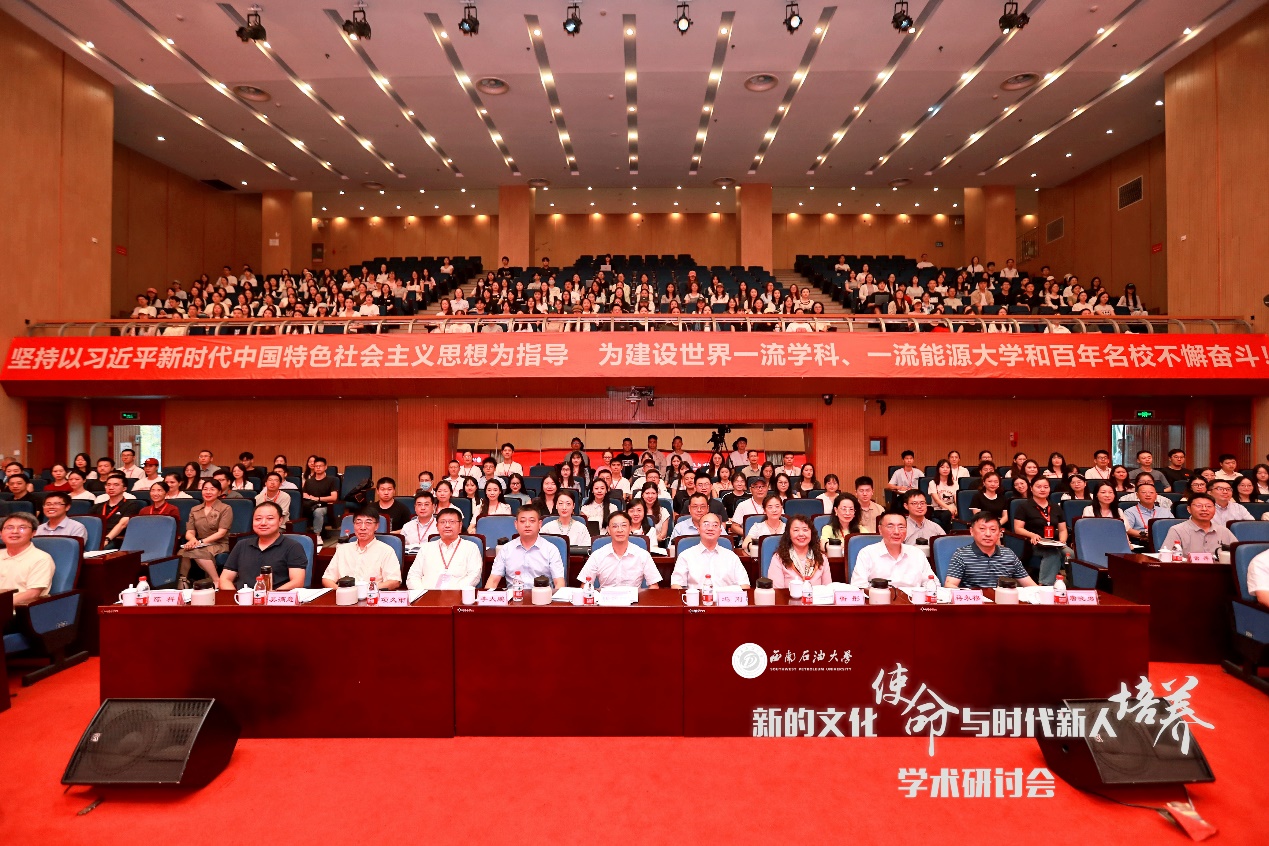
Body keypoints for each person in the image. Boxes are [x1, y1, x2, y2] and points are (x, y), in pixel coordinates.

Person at [219, 502, 308, 591]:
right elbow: (225, 579)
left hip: (276, 597)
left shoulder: (293, 547)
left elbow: (297, 582)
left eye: (270, 518)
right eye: (258, 519)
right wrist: (236, 596)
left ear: (280, 521)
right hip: (243, 597)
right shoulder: (241, 545)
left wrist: (269, 596)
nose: (263, 523)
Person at [946, 512, 1037, 589]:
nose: (988, 534)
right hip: (975, 602)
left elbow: (1030, 586)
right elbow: (950, 585)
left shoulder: (1008, 554)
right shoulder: (961, 554)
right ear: (972, 531)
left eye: (993, 529)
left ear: (1000, 533)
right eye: (982, 529)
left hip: (1004, 600)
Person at [486, 503, 565, 589]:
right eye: (522, 521)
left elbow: (559, 583)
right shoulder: (506, 549)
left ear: (539, 524)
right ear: (516, 524)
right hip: (513, 595)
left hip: (543, 595)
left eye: (532, 521)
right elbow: (493, 581)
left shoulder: (551, 549)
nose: (527, 525)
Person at [577, 511, 661, 589]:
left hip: (634, 599)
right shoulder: (597, 555)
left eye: (624, 525)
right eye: (614, 526)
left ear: (630, 528)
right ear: (609, 530)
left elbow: (654, 585)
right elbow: (585, 584)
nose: (620, 530)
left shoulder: (643, 555)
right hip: (605, 598)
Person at [322, 509, 402, 590]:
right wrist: (341, 590)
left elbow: (394, 581)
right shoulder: (343, 549)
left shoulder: (386, 551)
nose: (363, 527)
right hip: (344, 595)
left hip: (372, 595)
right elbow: (327, 579)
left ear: (376, 526)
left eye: (368, 523)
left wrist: (366, 590)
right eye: (358, 523)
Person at [851, 513, 936, 588]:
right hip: (879, 599)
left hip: (913, 600)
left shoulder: (917, 554)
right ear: (880, 529)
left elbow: (932, 584)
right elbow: (859, 587)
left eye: (901, 527)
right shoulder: (867, 553)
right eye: (890, 526)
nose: (896, 532)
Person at [406, 507, 483, 590]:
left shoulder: (471, 547)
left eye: (452, 522)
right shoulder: (426, 548)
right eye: (442, 522)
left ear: (460, 525)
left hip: (458, 595)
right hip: (426, 595)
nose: (447, 525)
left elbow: (474, 576)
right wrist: (421, 593)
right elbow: (413, 575)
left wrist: (453, 592)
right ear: (437, 526)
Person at [670, 512, 750, 589]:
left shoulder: (731, 557)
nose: (710, 528)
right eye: (706, 524)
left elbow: (745, 585)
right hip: (696, 598)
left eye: (715, 525)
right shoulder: (685, 556)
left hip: (725, 598)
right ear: (698, 529)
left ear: (720, 531)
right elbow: (676, 584)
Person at [1012, 477, 1068, 585]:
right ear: (1031, 488)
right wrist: (1032, 535)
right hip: (1033, 543)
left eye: (1045, 487)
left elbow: (1063, 529)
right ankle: (1044, 585)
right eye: (1039, 487)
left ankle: (1072, 584)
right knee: (1052, 553)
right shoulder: (1023, 506)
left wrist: (1062, 540)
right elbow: (1018, 528)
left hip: (1054, 543)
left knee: (1070, 554)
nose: (1042, 489)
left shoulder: (1056, 507)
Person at [178, 479, 232, 584]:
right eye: (205, 489)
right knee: (182, 552)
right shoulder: (195, 509)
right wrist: (193, 540)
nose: (208, 492)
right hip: (200, 543)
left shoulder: (225, 508)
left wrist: (200, 542)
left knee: (197, 552)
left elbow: (221, 533)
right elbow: (190, 531)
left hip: (219, 543)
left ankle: (216, 580)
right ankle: (183, 581)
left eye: (212, 489)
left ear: (219, 492)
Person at [1, 512, 55, 617]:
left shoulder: (41, 559)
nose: (15, 531)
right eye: (9, 528)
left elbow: (32, 593)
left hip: (18, 613)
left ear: (33, 533)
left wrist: (3, 605)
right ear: (1, 533)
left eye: (22, 528)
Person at [767, 515, 832, 589]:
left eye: (805, 530)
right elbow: (777, 591)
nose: (801, 534)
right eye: (796, 530)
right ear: (789, 534)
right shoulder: (779, 558)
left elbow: (828, 589)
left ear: (811, 533)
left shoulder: (821, 558)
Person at [1161, 493, 1234, 554]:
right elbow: (1166, 557)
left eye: (1209, 506)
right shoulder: (1177, 530)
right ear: (1189, 509)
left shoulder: (1224, 531)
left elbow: (1237, 555)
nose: (1204, 509)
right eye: (1199, 506)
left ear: (1215, 509)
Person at [95, 474, 141, 550]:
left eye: (116, 485)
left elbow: (122, 524)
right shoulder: (98, 506)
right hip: (97, 537)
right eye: (108, 485)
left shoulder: (131, 505)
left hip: (116, 539)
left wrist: (107, 539)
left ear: (124, 488)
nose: (111, 488)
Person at [301, 457, 340, 541]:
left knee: (318, 511)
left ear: (325, 467)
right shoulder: (309, 481)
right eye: (316, 466)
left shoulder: (332, 480)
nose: (318, 468)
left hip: (326, 506)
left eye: (320, 466)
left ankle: (317, 536)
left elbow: (334, 497)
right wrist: (309, 498)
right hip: (311, 504)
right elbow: (304, 493)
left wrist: (318, 499)